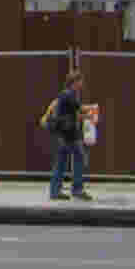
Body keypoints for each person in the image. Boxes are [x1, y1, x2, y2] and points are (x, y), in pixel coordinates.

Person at [48, 70, 92, 201]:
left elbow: (76, 113)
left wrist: (87, 114)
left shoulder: (66, 95)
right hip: (68, 135)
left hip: (65, 134)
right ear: (74, 82)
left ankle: (55, 192)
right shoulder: (68, 95)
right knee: (79, 158)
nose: (82, 83)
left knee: (61, 162)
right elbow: (80, 109)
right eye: (80, 81)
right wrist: (92, 111)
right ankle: (77, 190)